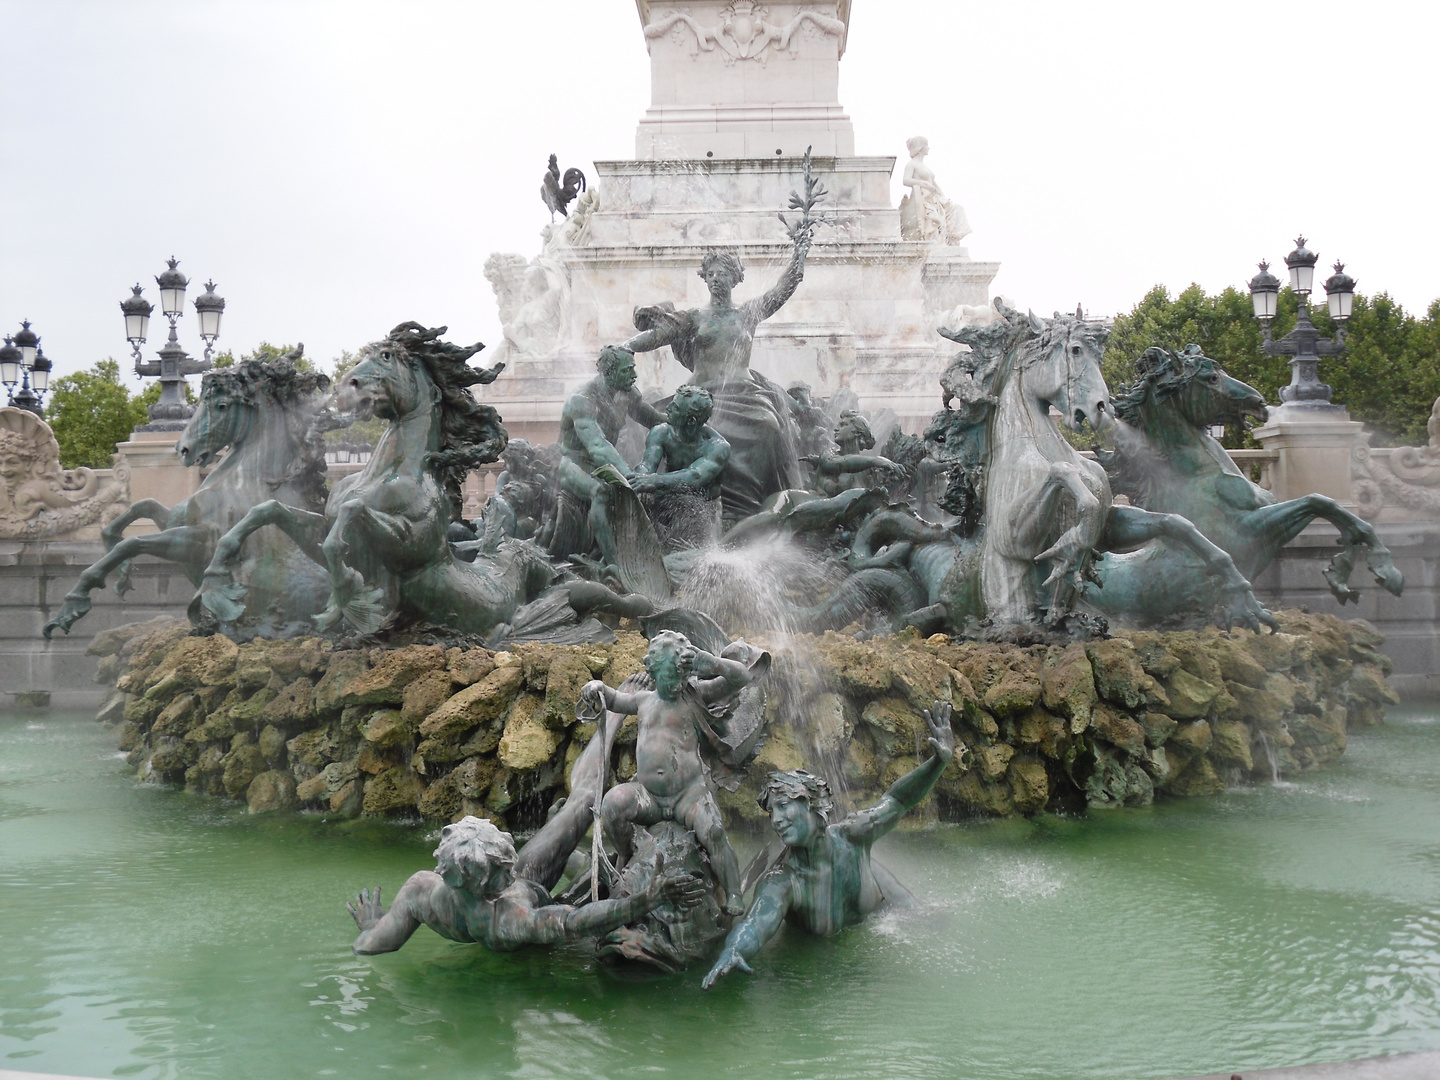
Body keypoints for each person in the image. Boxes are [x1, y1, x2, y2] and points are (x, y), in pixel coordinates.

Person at [701, 700, 956, 989]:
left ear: (814, 806)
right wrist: (734, 950)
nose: (777, 819)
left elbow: (897, 800)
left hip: (878, 890)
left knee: (931, 921)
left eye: (784, 806)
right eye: (772, 811)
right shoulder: (784, 881)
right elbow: (756, 924)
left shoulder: (853, 835)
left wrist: (938, 763)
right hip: (834, 949)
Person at [617, 238, 810, 524]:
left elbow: (782, 290)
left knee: (769, 426)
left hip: (745, 393)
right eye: (711, 274)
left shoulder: (748, 314)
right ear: (705, 279)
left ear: (736, 278)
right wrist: (625, 349)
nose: (716, 279)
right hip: (699, 396)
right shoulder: (695, 317)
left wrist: (799, 253)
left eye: (723, 274)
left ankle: (755, 506)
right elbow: (659, 335)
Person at [580, 630, 762, 916]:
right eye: (670, 677)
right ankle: (626, 851)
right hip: (648, 796)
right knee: (612, 805)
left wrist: (712, 663)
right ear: (652, 672)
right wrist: (596, 688)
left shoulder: (695, 694)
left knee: (714, 831)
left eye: (682, 675)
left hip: (687, 794)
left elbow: (741, 677)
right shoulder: (643, 701)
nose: (678, 683)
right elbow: (613, 699)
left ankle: (734, 892)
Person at [347, 815, 704, 955]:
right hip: (539, 916)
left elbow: (368, 945)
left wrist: (373, 925)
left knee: (574, 816)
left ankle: (578, 845)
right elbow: (576, 920)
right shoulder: (508, 920)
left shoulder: (419, 890)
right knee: (588, 860)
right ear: (484, 883)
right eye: (504, 867)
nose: (512, 867)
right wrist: (645, 901)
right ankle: (595, 861)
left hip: (530, 895)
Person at [550, 345, 665, 566]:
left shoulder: (628, 394)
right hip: (575, 464)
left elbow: (654, 420)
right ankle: (616, 566)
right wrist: (629, 477)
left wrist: (683, 422)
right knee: (600, 491)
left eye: (633, 368)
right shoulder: (582, 400)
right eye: (626, 370)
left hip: (606, 466)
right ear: (608, 372)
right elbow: (597, 446)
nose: (634, 375)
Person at [631, 384, 732, 550]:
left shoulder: (717, 446)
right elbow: (647, 465)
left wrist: (653, 481)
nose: (668, 407)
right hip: (669, 497)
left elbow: (695, 476)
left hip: (704, 508)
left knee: (690, 530)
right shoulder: (661, 432)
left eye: (675, 407)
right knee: (641, 502)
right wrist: (641, 480)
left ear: (691, 420)